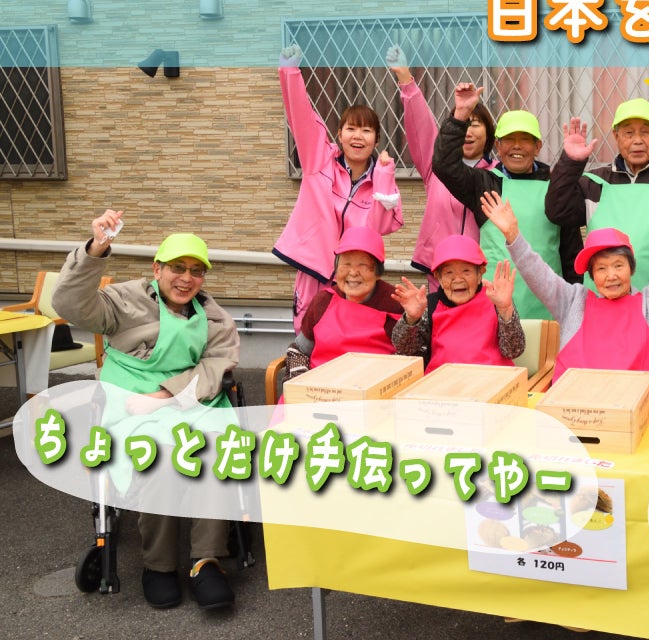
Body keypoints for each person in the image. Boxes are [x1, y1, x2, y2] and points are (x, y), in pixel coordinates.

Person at [52, 210, 238, 611]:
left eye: (196, 271)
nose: (186, 278)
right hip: (129, 407)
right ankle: (159, 566)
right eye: (176, 268)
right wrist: (96, 249)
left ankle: (205, 562)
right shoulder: (124, 301)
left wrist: (164, 397)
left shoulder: (215, 317)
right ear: (157, 269)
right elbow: (69, 303)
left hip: (190, 402)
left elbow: (217, 366)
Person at [481, 191, 649, 400]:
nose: (611, 276)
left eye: (618, 265)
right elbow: (539, 274)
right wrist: (513, 235)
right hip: (574, 406)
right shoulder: (573, 302)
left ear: (631, 268)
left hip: (641, 408)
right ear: (592, 275)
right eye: (601, 268)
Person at [544, 98, 649, 368]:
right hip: (600, 306)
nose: (637, 140)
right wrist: (571, 163)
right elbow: (557, 211)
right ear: (616, 136)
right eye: (628, 132)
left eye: (646, 132)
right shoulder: (594, 182)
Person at [275, 44, 404, 332]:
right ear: (340, 134)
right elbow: (301, 115)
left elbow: (380, 228)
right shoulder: (319, 159)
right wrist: (290, 71)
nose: (358, 136)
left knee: (348, 336)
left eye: (367, 130)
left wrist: (384, 176)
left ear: (376, 140)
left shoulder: (382, 177)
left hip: (354, 276)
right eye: (351, 129)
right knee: (308, 336)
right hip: (314, 270)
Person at [432, 83, 584, 321]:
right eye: (509, 139)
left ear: (537, 147)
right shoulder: (485, 183)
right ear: (498, 146)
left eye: (525, 140)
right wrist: (460, 115)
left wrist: (576, 308)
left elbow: (571, 253)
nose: (516, 146)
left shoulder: (555, 189)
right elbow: (444, 165)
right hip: (493, 309)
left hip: (548, 310)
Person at [386, 45, 496, 288]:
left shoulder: (498, 173)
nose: (468, 132)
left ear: (488, 132)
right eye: (463, 124)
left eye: (475, 124)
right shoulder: (436, 164)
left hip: (481, 273)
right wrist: (405, 79)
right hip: (439, 269)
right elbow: (421, 125)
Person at [281, 226, 401, 384]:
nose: (353, 272)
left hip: (371, 389)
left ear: (378, 272)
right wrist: (303, 382)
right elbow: (299, 350)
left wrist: (414, 319)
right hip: (320, 389)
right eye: (346, 264)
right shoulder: (323, 301)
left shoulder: (395, 301)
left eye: (363, 265)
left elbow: (408, 356)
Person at [391, 234, 525, 370]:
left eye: (466, 271)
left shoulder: (495, 299)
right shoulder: (429, 305)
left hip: (492, 377)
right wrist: (411, 319)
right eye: (449, 273)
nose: (458, 279)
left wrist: (505, 309)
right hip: (443, 379)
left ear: (480, 273)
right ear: (438, 276)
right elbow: (406, 350)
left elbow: (513, 351)